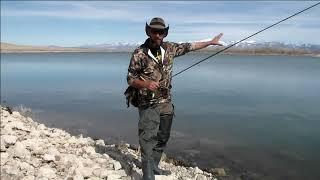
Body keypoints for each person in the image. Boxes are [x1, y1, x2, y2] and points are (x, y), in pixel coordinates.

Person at [125, 17, 223, 180]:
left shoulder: (170, 48)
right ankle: (147, 175)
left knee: (163, 135)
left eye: (161, 32)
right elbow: (130, 78)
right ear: (148, 31)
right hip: (147, 103)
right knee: (147, 138)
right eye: (154, 31)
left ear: (165, 33)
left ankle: (155, 166)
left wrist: (210, 42)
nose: (157, 35)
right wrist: (145, 84)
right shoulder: (140, 53)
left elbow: (191, 46)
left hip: (166, 101)